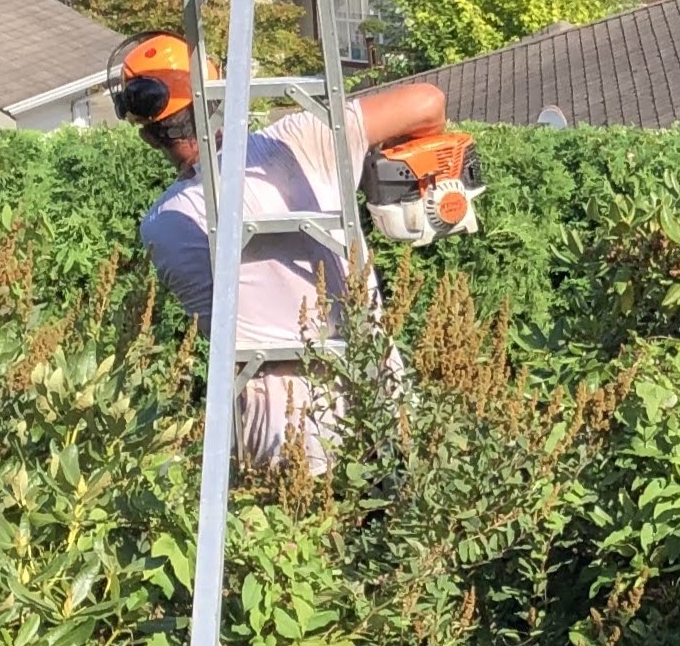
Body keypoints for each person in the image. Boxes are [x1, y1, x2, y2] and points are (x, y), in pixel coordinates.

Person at [115, 32, 446, 471]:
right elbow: (427, 102)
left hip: (274, 426)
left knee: (290, 536)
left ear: (149, 137)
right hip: (378, 397)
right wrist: (375, 167)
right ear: (219, 95)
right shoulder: (303, 137)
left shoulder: (164, 225)